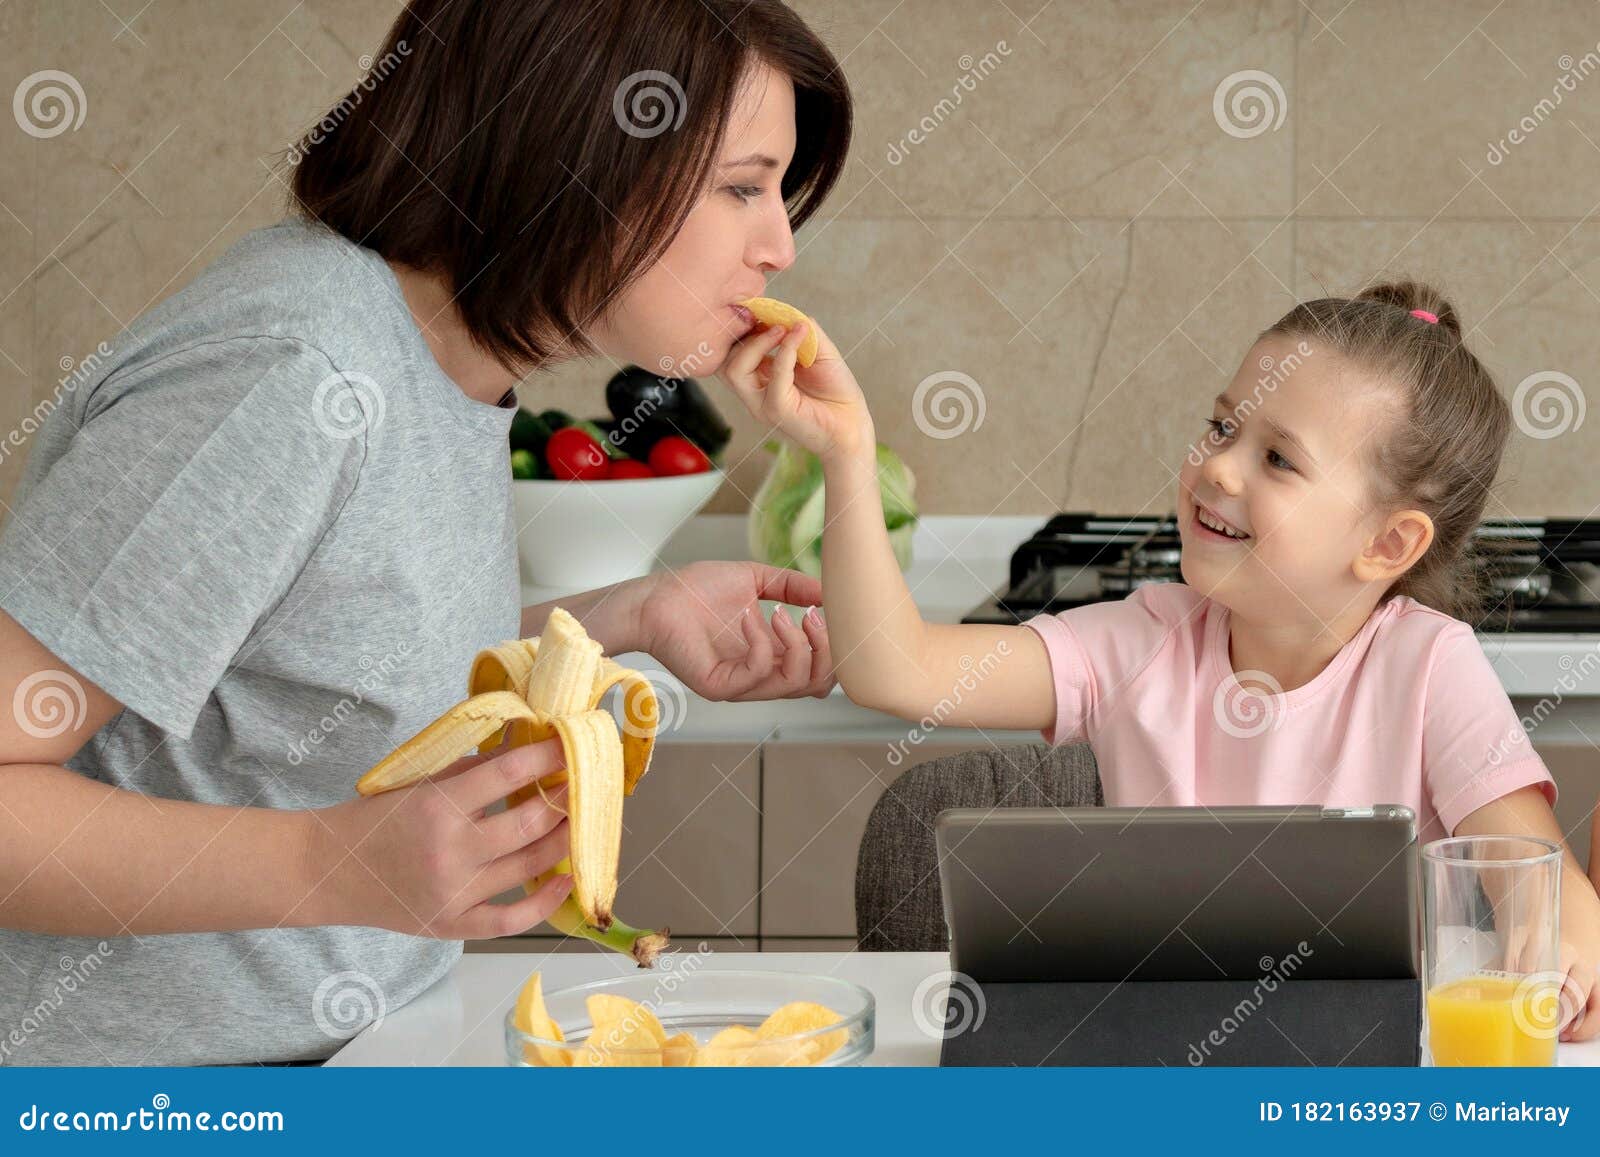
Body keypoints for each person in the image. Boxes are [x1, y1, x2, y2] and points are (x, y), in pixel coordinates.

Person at [0, 0, 848, 1065]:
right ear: (569, 146)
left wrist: (625, 615)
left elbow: (299, 661)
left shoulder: (446, 363)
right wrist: (327, 864)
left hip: (353, 1047)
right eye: (740, 187)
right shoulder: (294, 374)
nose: (777, 244)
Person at [721, 279, 1600, 1042]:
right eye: (1222, 426)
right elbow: (893, 667)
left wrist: (1553, 935)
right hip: (1162, 1064)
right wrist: (844, 451)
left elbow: (1535, 878)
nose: (1216, 468)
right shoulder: (1138, 642)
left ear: (1386, 542)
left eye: (1277, 459)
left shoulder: (1430, 666)